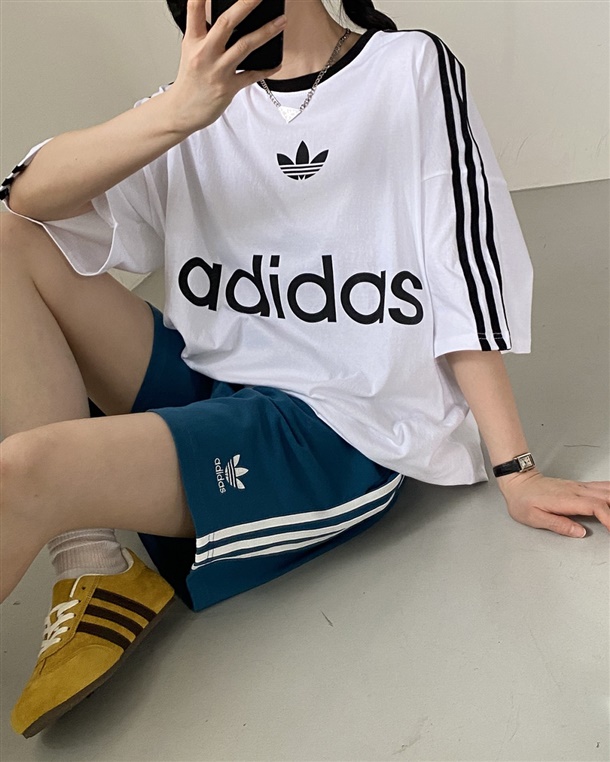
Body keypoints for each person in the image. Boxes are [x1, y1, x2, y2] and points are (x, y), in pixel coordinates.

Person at [1, 0, 608, 739]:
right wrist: (180, 110)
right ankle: (90, 560)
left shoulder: (407, 69)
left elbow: (462, 274)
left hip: (331, 428)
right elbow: (25, 199)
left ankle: (83, 524)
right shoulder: (198, 100)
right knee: (5, 239)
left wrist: (516, 470)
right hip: (210, 381)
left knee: (22, 474)